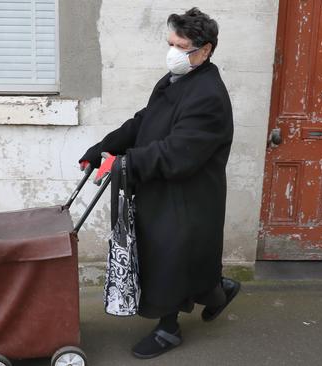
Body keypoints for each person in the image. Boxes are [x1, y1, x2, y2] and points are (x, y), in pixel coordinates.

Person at [79, 7, 241, 359]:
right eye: (171, 42)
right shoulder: (176, 79)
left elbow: (177, 152)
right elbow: (144, 121)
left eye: (181, 46)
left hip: (190, 194)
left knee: (168, 257)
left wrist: (125, 162)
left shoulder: (208, 95)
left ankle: (169, 329)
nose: (173, 52)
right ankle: (218, 290)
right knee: (179, 255)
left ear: (205, 49)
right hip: (165, 187)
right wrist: (102, 150)